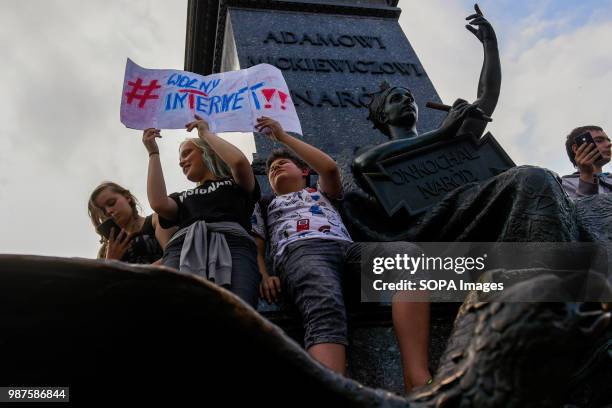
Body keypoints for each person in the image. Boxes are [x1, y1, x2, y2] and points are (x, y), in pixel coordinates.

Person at [251, 116, 431, 392]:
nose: (274, 170)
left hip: (347, 249)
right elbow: (257, 245)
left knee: (407, 255)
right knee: (324, 305)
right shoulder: (265, 204)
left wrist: (282, 137)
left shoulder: (321, 192)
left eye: (281, 164)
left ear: (303, 172)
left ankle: (416, 376)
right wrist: (264, 275)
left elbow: (330, 168)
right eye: (270, 170)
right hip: (301, 253)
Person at [142, 114, 261, 308]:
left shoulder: (235, 183)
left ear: (208, 152)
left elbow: (239, 163)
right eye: (180, 158)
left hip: (233, 245)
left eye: (187, 153)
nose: (181, 162)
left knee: (239, 311)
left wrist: (205, 133)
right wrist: (153, 153)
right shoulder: (182, 196)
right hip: (183, 250)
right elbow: (158, 204)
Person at [88, 182, 175, 264]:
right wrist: (110, 261)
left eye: (111, 203)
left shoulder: (156, 220)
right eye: (103, 212)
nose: (109, 211)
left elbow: (172, 257)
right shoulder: (105, 251)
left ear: (127, 197)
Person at [561, 125, 612, 200]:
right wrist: (587, 176)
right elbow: (577, 210)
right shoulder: (563, 184)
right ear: (576, 149)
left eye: (608, 140)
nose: (609, 144)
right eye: (599, 141)